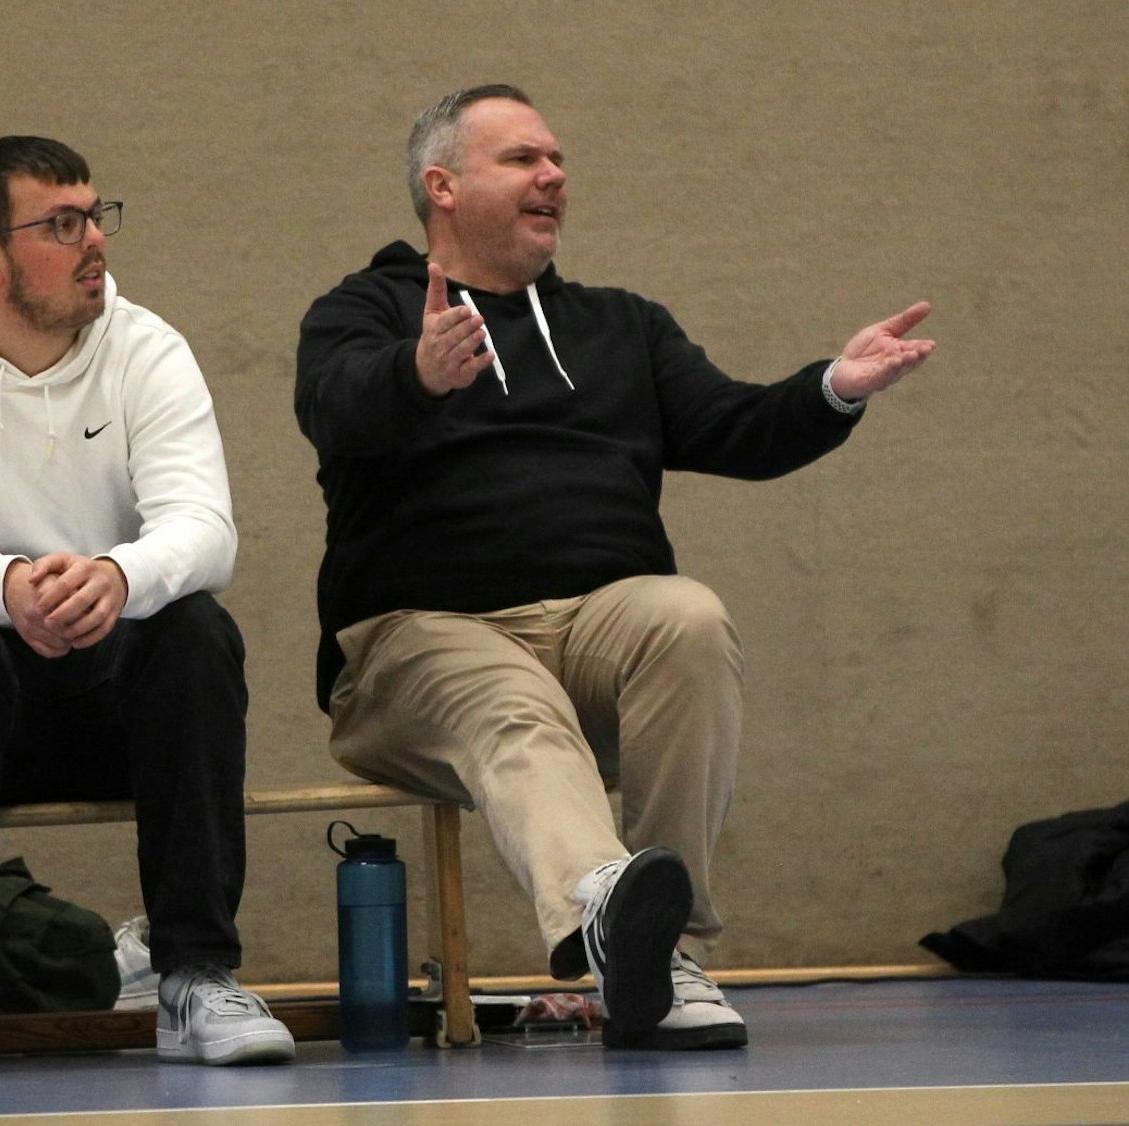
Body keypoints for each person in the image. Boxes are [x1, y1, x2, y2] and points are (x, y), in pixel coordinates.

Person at [294, 85, 934, 1051]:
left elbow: (738, 428)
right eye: (520, 159)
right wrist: (417, 373)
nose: (553, 175)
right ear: (443, 186)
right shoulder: (366, 311)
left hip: (592, 626)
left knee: (687, 616)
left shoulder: (621, 326)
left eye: (557, 160)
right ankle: (607, 908)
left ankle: (658, 954)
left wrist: (835, 389)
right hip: (414, 643)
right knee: (503, 695)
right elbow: (335, 408)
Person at [0, 136, 295, 1076]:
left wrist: (119, 577)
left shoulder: (148, 347)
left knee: (196, 628)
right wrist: (8, 587)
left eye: (97, 215)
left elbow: (206, 526)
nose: (95, 240)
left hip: (116, 699)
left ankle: (194, 977)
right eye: (62, 224)